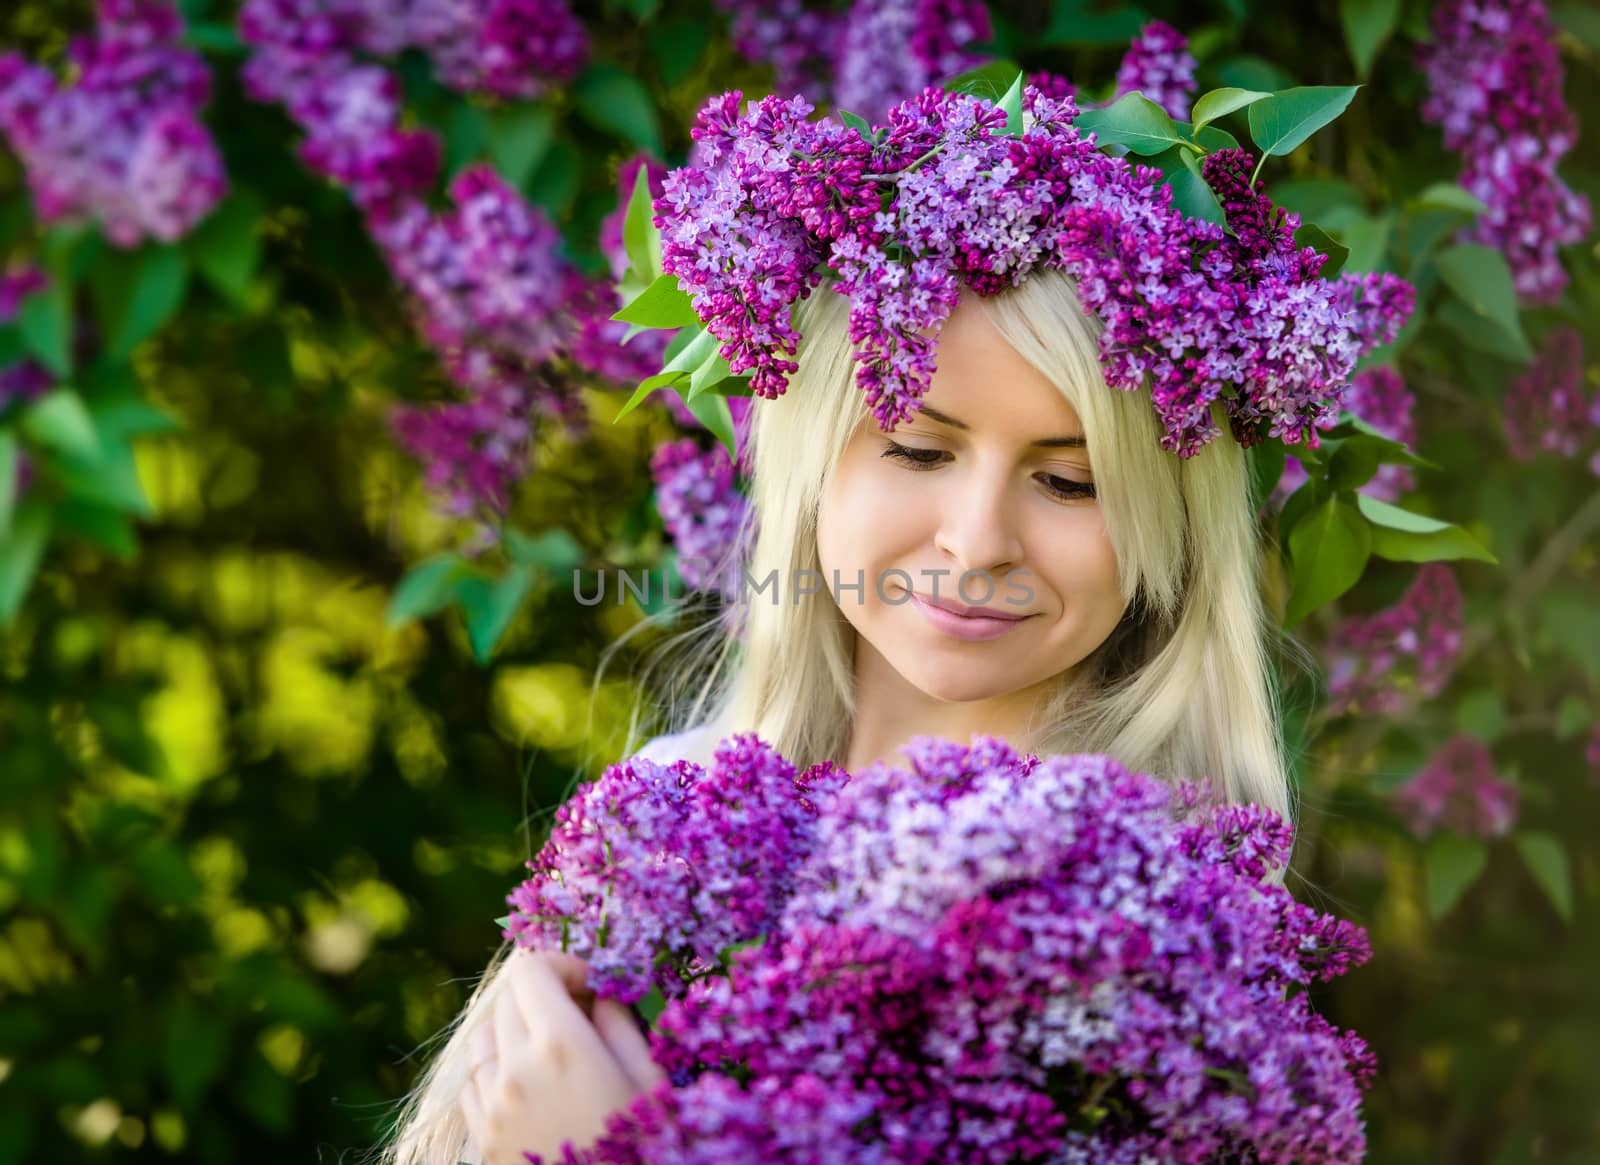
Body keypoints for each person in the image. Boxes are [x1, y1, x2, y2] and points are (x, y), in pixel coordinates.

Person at [369, 77, 1401, 1164]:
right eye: (917, 449)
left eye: (1071, 481)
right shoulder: (655, 838)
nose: (976, 539)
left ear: (1168, 530)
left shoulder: (1149, 950)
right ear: (812, 464)